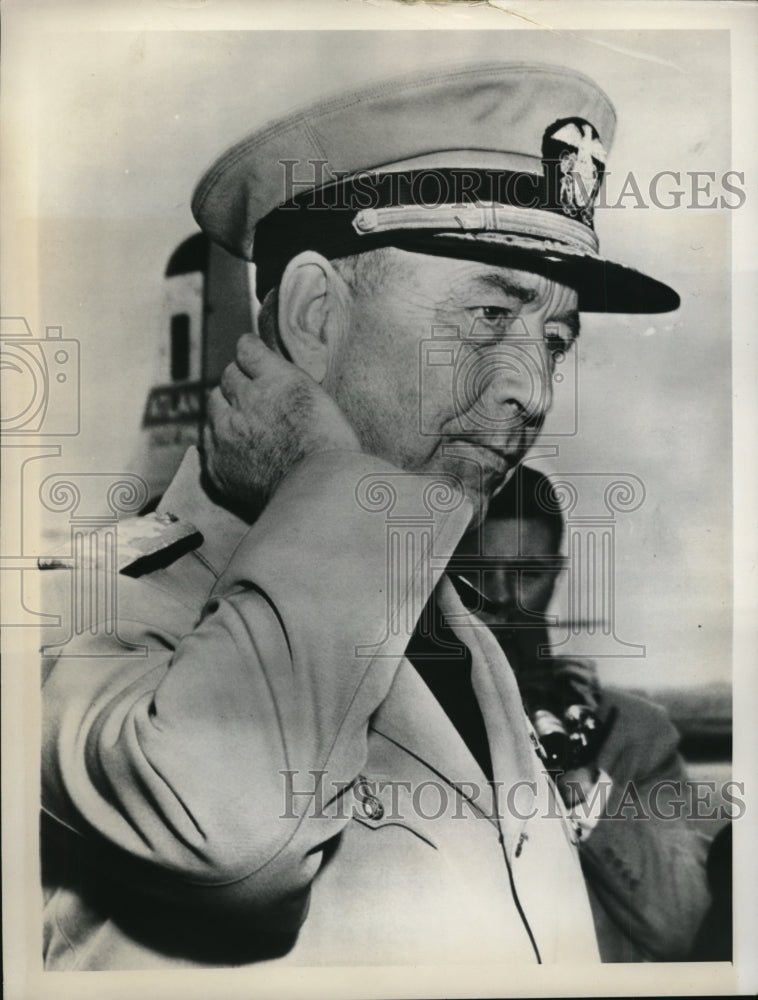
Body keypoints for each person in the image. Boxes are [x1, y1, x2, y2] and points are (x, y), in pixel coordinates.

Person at [39, 62, 681, 971]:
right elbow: (229, 843)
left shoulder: (458, 634)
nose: (532, 393)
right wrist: (323, 474)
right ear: (312, 314)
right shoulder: (84, 615)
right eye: (489, 314)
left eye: (554, 340)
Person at [454, 464, 712, 961]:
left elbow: (690, 925)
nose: (505, 598)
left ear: (555, 574)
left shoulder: (637, 735)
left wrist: (577, 774)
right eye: (479, 573)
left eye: (528, 574)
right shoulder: (397, 720)